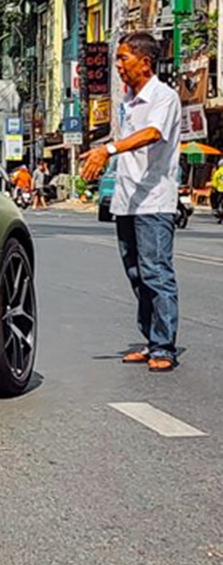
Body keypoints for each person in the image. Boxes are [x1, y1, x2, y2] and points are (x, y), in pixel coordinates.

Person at [78, 31, 182, 372]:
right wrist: (100, 150)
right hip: (126, 200)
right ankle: (151, 341)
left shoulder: (163, 97)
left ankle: (164, 346)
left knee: (156, 273)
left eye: (123, 58)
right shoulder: (127, 102)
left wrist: (107, 150)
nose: (118, 65)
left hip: (154, 201)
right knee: (137, 273)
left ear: (145, 62)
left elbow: (152, 134)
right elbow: (125, 139)